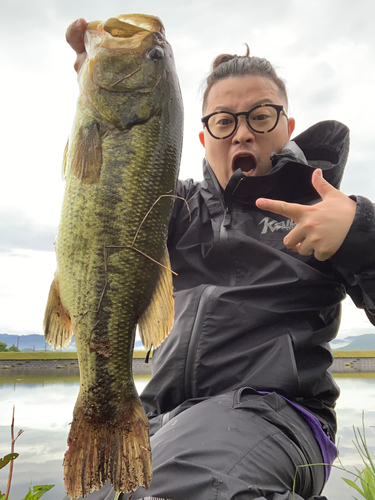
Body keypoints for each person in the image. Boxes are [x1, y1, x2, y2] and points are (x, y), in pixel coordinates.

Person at [63, 19, 375, 500]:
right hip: (159, 415)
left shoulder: (323, 210)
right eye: (224, 121)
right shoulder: (170, 208)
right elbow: (105, 209)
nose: (242, 134)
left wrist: (360, 233)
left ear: (288, 126)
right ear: (204, 136)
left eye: (261, 117)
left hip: (279, 413)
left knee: (187, 488)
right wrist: (100, 93)